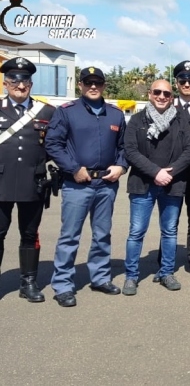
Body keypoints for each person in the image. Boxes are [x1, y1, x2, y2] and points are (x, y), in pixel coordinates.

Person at [45, 67, 128, 307]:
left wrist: (121, 166)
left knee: (102, 235)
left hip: (106, 184)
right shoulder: (67, 112)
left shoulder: (115, 114)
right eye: (88, 82)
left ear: (104, 85)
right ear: (80, 85)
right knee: (70, 236)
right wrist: (73, 168)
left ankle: (100, 278)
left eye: (98, 82)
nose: (93, 86)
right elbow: (53, 144)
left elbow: (124, 147)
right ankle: (62, 285)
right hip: (77, 183)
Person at [122, 80, 190, 296]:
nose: (162, 96)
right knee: (136, 232)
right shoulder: (137, 120)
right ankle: (131, 276)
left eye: (166, 93)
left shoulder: (181, 120)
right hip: (143, 183)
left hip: (172, 183)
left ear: (171, 97)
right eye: (157, 92)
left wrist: (169, 173)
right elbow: (131, 151)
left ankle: (166, 272)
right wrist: (156, 172)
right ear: (150, 94)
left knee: (170, 231)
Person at [0, 57, 56, 302]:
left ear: (31, 83)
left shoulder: (47, 112)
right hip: (0, 182)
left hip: (33, 183)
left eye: (25, 80)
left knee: (30, 234)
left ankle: (28, 283)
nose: (20, 85)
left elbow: (57, 146)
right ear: (5, 82)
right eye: (14, 79)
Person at [153, 60, 190, 279]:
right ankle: (164, 261)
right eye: (183, 80)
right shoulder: (166, 106)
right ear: (176, 83)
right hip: (172, 174)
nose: (187, 84)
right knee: (169, 221)